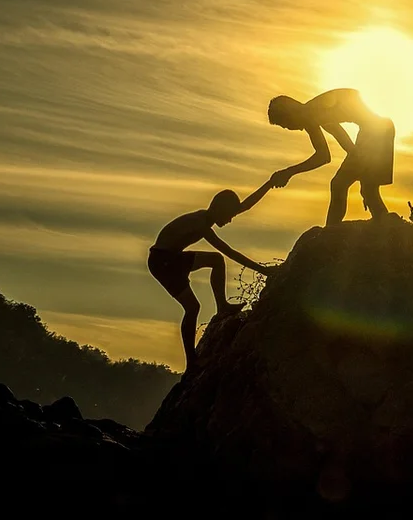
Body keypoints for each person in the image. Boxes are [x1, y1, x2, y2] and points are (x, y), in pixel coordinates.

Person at [148, 179, 274, 369]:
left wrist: (269, 184)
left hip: (170, 258)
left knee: (215, 262)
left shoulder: (208, 218)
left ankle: (222, 306)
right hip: (163, 261)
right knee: (193, 307)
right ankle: (192, 360)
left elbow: (245, 206)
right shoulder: (201, 223)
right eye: (229, 215)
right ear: (220, 210)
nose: (230, 220)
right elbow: (229, 251)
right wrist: (262, 270)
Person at [266, 88, 397, 225]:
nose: (289, 128)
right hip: (379, 129)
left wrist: (289, 172)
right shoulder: (313, 113)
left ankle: (332, 230)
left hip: (376, 132)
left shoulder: (311, 113)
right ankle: (384, 226)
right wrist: (361, 168)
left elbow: (323, 156)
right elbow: (347, 146)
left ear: (290, 113)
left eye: (286, 124)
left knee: (340, 185)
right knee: (368, 191)